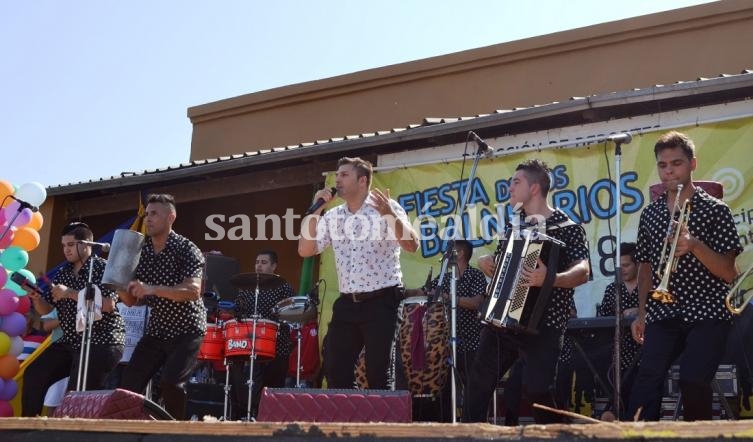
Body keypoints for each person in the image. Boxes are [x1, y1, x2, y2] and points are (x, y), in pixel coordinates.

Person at [462, 159, 590, 424]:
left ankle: (559, 435)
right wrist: (487, 261)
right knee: (477, 385)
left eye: (516, 182)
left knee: (539, 392)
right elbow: (503, 267)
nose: (509, 188)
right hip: (503, 322)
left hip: (544, 325)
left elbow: (583, 272)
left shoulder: (568, 228)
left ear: (534, 188)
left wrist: (549, 278)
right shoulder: (514, 226)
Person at [627, 131, 741, 421]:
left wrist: (694, 245)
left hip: (708, 310)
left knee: (693, 380)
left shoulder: (716, 210)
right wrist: (642, 313)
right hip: (665, 308)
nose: (669, 171)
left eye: (676, 163)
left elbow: (729, 272)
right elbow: (645, 269)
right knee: (646, 380)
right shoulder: (650, 214)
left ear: (692, 164)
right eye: (663, 165)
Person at [298, 156, 419, 389]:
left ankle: (383, 425)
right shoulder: (333, 216)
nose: (337, 180)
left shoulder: (387, 207)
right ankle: (347, 422)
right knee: (334, 368)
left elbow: (412, 245)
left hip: (382, 301)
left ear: (362, 181)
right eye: (337, 175)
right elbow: (305, 250)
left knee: (379, 372)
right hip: (347, 303)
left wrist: (388, 213)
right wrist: (316, 211)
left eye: (344, 175)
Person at [22, 222, 125, 417]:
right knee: (35, 373)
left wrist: (69, 293)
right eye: (63, 246)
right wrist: (37, 299)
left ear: (86, 244)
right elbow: (49, 309)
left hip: (101, 341)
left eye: (70, 245)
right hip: (71, 340)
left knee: (76, 395)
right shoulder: (63, 272)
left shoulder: (102, 268)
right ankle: (29, 428)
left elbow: (108, 304)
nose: (66, 250)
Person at [118, 193, 206, 420]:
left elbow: (193, 290)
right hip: (157, 330)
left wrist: (153, 288)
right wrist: (117, 284)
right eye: (147, 214)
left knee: (171, 384)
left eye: (154, 213)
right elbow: (132, 301)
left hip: (187, 329)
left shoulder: (187, 249)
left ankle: (178, 433)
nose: (148, 218)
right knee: (128, 386)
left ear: (171, 218)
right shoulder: (142, 252)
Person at [425, 239, 486, 420]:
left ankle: (472, 426)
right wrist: (405, 292)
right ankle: (444, 426)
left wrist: (447, 296)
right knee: (444, 390)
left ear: (458, 254)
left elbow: (476, 303)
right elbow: (427, 291)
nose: (444, 255)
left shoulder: (475, 275)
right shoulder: (444, 276)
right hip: (445, 345)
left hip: (470, 343)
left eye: (448, 252)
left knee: (473, 389)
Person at [229, 250, 294, 420]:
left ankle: (270, 421)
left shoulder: (283, 286)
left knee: (272, 389)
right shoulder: (246, 288)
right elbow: (238, 311)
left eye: (264, 262)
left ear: (274, 266)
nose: (259, 265)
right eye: (257, 261)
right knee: (243, 387)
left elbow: (290, 314)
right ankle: (242, 415)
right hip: (248, 346)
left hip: (276, 346)